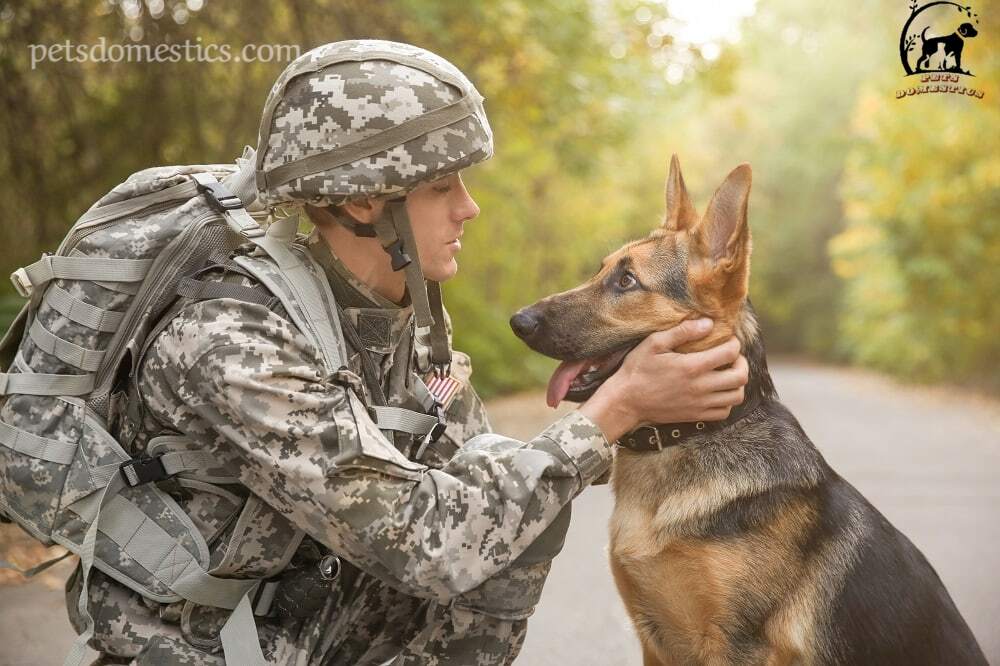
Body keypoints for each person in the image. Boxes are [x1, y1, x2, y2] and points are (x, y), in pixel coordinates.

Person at [66, 40, 748, 665]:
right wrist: (615, 410)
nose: (469, 209)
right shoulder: (233, 341)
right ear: (366, 202)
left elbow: (483, 485)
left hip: (312, 634)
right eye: (441, 186)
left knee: (508, 490)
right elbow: (423, 542)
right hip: (203, 651)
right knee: (499, 508)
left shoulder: (398, 323)